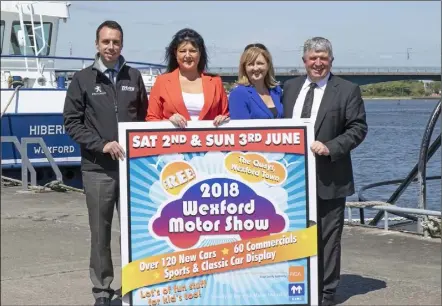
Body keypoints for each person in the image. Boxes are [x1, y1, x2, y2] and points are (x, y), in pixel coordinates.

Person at [63, 20, 148, 306]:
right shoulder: (82, 79)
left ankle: (133, 284)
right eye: (106, 42)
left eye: (116, 42)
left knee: (134, 231)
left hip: (131, 169)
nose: (111, 47)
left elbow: (146, 119)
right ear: (97, 45)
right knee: (100, 233)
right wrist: (101, 144)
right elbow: (71, 123)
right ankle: (102, 290)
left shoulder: (133, 77)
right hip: (98, 169)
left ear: (122, 44)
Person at [282, 37, 368, 306]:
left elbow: (358, 129)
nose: (318, 62)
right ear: (304, 61)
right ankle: (299, 286)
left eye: (323, 57)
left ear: (331, 60)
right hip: (292, 179)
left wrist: (330, 147)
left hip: (330, 176)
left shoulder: (347, 90)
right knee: (294, 234)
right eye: (313, 58)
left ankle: (327, 293)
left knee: (329, 237)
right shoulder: (289, 87)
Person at [146, 28, 229, 127]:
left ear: (200, 53)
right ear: (175, 53)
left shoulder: (216, 82)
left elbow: (226, 115)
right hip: (174, 141)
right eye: (182, 51)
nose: (188, 55)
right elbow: (151, 119)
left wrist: (223, 119)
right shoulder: (161, 82)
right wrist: (168, 122)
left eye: (193, 51)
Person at [228, 43, 283, 119]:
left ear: (268, 65)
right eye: (250, 64)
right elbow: (240, 129)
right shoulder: (238, 93)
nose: (255, 68)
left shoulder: (276, 91)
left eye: (260, 63)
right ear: (244, 68)